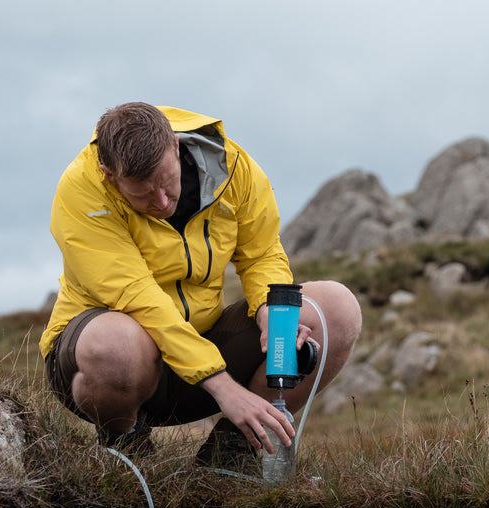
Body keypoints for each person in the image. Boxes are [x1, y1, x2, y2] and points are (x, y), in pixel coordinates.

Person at [38, 102, 361, 468]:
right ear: (108, 175)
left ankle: (231, 454)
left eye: (166, 183)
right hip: (112, 370)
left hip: (202, 350)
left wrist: (271, 314)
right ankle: (127, 449)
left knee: (337, 308)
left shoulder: (233, 167)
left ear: (177, 146)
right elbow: (137, 299)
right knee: (115, 344)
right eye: (142, 194)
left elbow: (261, 254)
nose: (161, 202)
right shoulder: (81, 191)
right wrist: (223, 387)